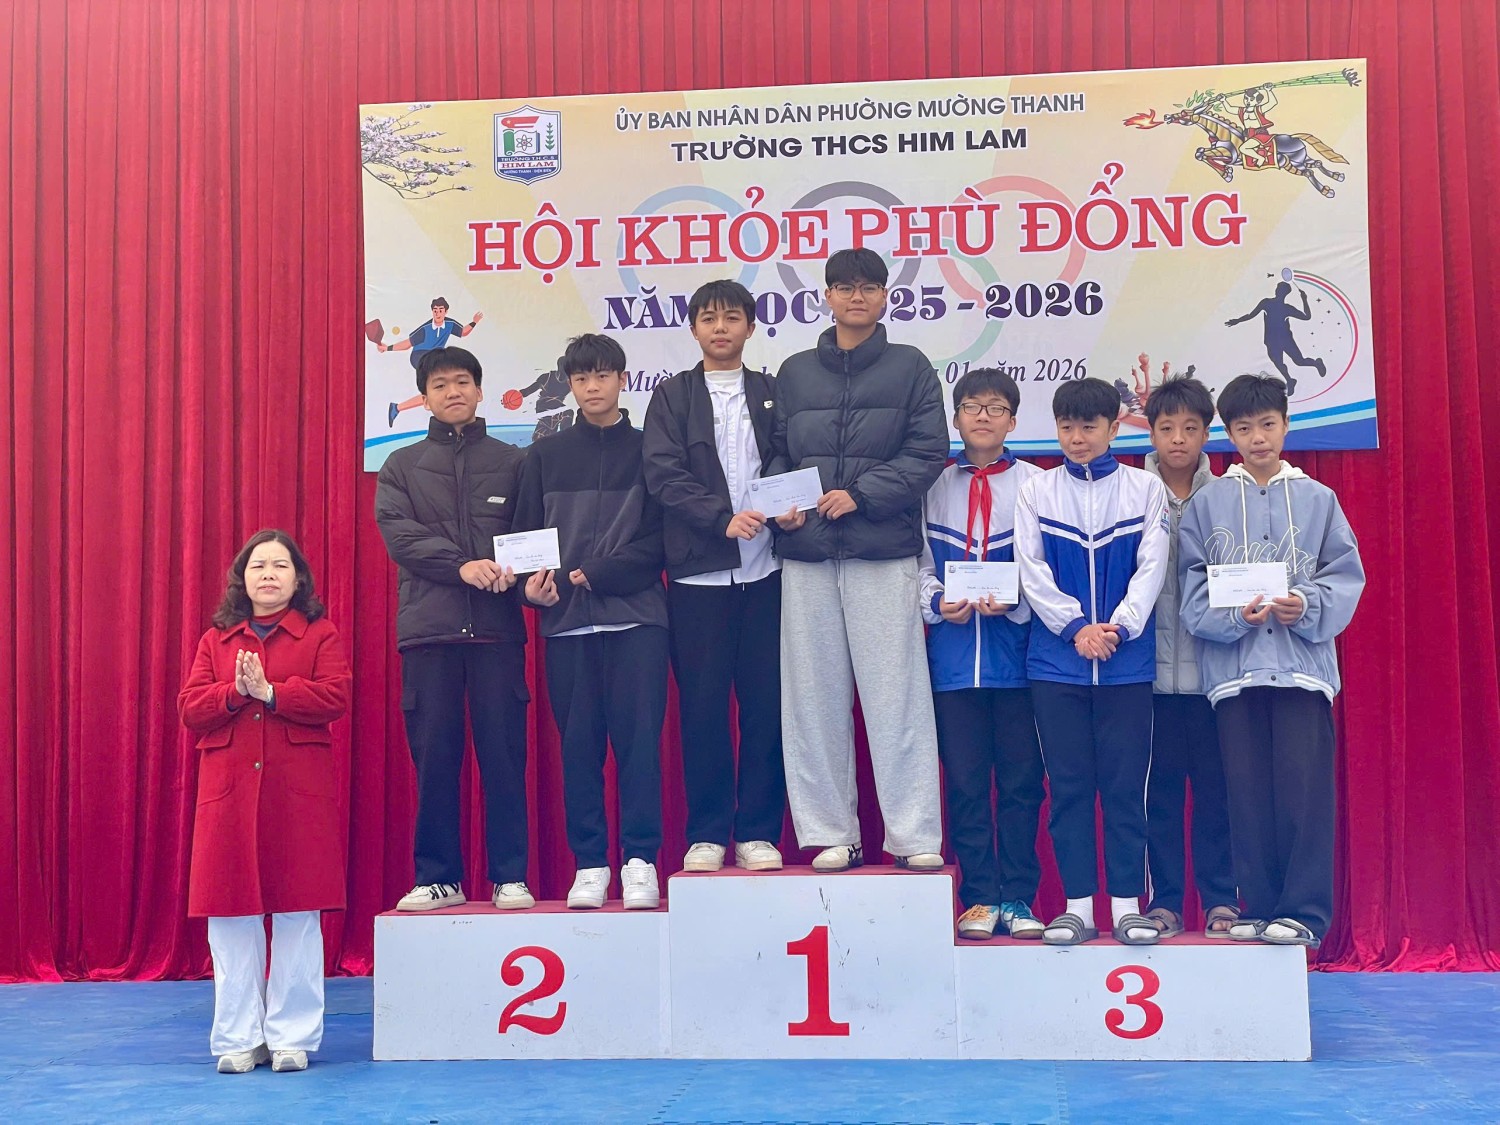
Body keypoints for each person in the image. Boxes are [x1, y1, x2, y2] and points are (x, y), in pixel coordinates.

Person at [768, 247, 948, 872]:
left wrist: (862, 495)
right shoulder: (794, 371)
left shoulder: (911, 366)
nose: (856, 297)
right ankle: (830, 834)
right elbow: (777, 453)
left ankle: (914, 836)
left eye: (869, 287)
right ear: (826, 295)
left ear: (884, 296)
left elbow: (928, 451)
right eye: (844, 287)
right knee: (812, 701)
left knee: (897, 696)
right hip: (807, 555)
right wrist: (783, 506)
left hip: (881, 550)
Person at [1180, 373, 1365, 948]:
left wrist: (1305, 605)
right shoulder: (1207, 503)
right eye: (1244, 428)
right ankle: (1257, 906)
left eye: (1267, 425)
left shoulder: (1319, 499)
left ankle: (1303, 912)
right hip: (1234, 676)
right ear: (1229, 435)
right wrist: (1236, 617)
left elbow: (1346, 577)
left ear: (1286, 425)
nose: (1257, 438)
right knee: (1246, 795)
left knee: (1304, 797)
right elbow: (1192, 593)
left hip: (1303, 674)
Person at [178, 530, 352, 1074]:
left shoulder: (320, 633)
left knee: (298, 913)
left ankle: (291, 1037)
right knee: (231, 915)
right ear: (243, 579)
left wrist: (273, 692)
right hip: (229, 795)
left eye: (280, 565)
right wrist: (236, 693)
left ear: (298, 579)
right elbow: (190, 707)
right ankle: (238, 1037)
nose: (269, 574)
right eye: (258, 566)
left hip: (296, 794)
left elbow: (336, 696)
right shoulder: (217, 640)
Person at [374, 346, 534, 914]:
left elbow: (532, 535)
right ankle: (439, 877)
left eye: (462, 381)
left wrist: (522, 576)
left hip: (497, 633)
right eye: (439, 385)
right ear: (425, 398)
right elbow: (400, 536)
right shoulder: (401, 466)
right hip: (429, 634)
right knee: (435, 760)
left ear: (480, 390)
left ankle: (510, 875)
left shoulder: (515, 462)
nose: (452, 392)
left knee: (504, 758)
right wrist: (461, 565)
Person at [512, 333, 669, 909]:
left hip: (638, 623)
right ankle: (590, 865)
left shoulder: (651, 450)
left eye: (603, 376)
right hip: (567, 628)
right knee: (578, 752)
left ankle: (640, 861)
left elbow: (663, 540)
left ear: (623, 380)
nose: (592, 387)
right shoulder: (545, 455)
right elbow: (523, 541)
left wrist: (601, 573)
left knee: (639, 750)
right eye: (581, 378)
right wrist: (531, 591)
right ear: (570, 385)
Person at [1013, 378, 1170, 946]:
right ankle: (1077, 907)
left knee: (1126, 789)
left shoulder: (1145, 488)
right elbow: (1030, 568)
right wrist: (1076, 627)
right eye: (1066, 427)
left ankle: (1128, 905)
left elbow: (1152, 567)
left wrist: (1120, 627)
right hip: (1056, 666)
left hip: (1127, 665)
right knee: (1070, 787)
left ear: (1113, 428)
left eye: (1088, 426)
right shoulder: (1036, 491)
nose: (1077, 438)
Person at [643, 280, 786, 873]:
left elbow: (788, 457)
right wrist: (719, 519)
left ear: (751, 327)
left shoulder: (773, 392)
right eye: (708, 318)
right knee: (702, 710)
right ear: (694, 329)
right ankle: (706, 832)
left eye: (731, 318)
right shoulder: (671, 396)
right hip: (697, 579)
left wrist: (784, 505)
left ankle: (757, 832)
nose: (720, 328)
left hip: (769, 572)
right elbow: (662, 473)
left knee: (765, 707)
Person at [917, 367, 1046, 939]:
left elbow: (1047, 568)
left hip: (1020, 662)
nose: (984, 417)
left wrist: (1016, 601)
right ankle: (977, 898)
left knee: (1022, 785)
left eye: (996, 408)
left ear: (1013, 420)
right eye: (972, 407)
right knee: (965, 785)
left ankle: (1018, 898)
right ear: (956, 418)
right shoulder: (932, 486)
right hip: (951, 664)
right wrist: (935, 600)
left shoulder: (1038, 485)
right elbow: (917, 563)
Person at [1139, 375, 1239, 940]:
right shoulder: (1131, 494)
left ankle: (1222, 899)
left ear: (1207, 434)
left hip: (1213, 676)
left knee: (1217, 793)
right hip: (1147, 678)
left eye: (1190, 428)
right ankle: (1166, 902)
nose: (1178, 438)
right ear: (1150, 433)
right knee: (1159, 795)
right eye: (1167, 427)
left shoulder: (1229, 497)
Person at [382, 297, 485, 425]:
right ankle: (399, 408)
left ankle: (397, 408)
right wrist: (387, 348)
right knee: (436, 388)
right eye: (435, 310)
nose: (437, 313)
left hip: (437, 357)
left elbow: (463, 332)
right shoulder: (425, 329)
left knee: (434, 389)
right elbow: (407, 344)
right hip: (420, 356)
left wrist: (474, 322)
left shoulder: (449, 324)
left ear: (445, 312)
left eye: (440, 310)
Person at [1224, 281, 1325, 396]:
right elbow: (1251, 315)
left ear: (1285, 293)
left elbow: (1307, 317)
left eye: (1281, 289)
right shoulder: (1266, 303)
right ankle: (1290, 380)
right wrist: (1237, 320)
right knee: (1278, 362)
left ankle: (1316, 363)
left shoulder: (1287, 308)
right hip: (1271, 340)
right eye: (1278, 288)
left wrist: (1304, 299)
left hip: (1286, 339)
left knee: (1299, 361)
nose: (1278, 290)